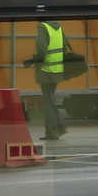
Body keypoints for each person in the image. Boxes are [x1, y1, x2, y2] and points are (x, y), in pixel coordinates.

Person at [31, 14, 71, 142]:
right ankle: (58, 128)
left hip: (46, 70)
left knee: (48, 103)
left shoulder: (43, 27)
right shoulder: (58, 27)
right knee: (50, 101)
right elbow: (64, 47)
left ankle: (54, 131)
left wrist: (37, 63)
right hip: (57, 70)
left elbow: (41, 50)